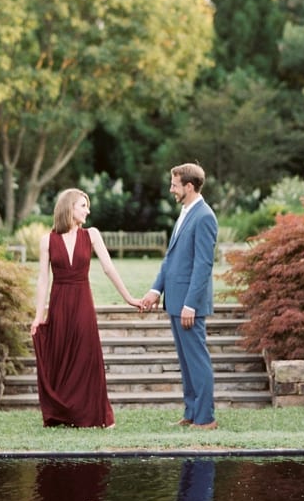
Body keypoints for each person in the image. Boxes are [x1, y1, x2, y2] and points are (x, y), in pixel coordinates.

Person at [31, 188, 143, 428]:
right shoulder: (47, 241)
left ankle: (90, 414)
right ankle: (63, 413)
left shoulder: (91, 235)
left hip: (83, 302)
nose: (88, 210)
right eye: (83, 205)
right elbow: (43, 279)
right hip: (59, 302)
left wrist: (129, 298)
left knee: (85, 357)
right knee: (60, 356)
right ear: (69, 207)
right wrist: (38, 317)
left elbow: (109, 269)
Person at [139, 163, 219, 430]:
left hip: (188, 305)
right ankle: (191, 413)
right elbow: (171, 259)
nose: (170, 189)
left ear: (189, 186)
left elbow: (203, 265)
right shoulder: (185, 213)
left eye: (174, 184)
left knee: (197, 360)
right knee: (186, 362)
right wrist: (154, 290)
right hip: (173, 300)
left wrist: (190, 305)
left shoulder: (205, 216)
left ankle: (206, 418)